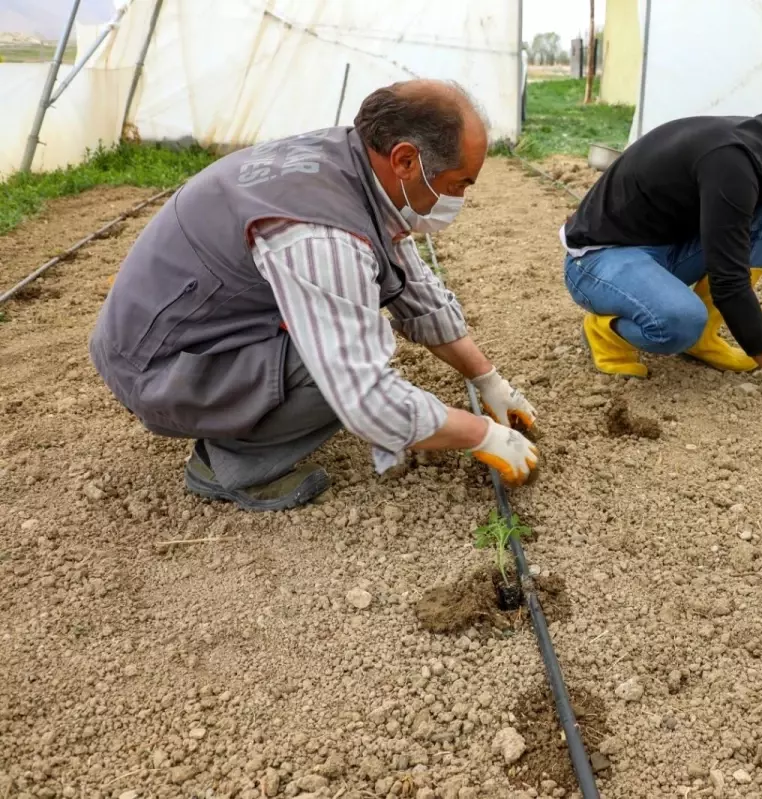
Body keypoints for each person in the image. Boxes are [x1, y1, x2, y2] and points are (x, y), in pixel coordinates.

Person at [89, 80, 539, 512]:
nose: (460, 197)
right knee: (335, 366)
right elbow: (364, 396)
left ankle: (249, 418)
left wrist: (487, 379)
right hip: (156, 368)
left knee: (347, 334)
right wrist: (482, 435)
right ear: (405, 160)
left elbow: (408, 281)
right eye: (459, 182)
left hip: (177, 334)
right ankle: (229, 466)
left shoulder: (351, 165)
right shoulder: (320, 234)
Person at [560, 103, 762, 399]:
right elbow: (729, 282)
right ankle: (604, 333)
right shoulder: (732, 160)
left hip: (661, 249)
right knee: (680, 321)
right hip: (599, 258)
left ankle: (703, 339)